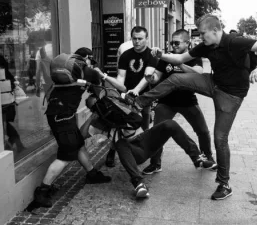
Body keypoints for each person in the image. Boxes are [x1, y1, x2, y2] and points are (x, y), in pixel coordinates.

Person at [129, 14, 257, 200]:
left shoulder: (234, 41)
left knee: (220, 138)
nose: (201, 37)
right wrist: (161, 55)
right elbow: (180, 58)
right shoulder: (206, 45)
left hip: (230, 96)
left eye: (203, 33)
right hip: (213, 83)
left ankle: (224, 184)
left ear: (215, 30)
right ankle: (138, 102)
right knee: (176, 79)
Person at [83, 95, 215, 198]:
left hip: (146, 140)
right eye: (96, 106)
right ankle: (139, 183)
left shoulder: (119, 106)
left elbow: (138, 108)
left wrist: (125, 101)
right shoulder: (98, 122)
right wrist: (91, 117)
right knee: (120, 143)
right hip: (133, 151)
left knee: (170, 124)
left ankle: (197, 158)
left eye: (101, 101)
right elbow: (82, 133)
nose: (102, 106)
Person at [32, 47, 112, 208]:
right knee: (66, 156)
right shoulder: (89, 72)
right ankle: (42, 192)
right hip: (63, 117)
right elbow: (101, 92)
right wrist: (97, 74)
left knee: (78, 144)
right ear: (88, 59)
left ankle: (92, 174)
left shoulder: (68, 70)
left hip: (57, 114)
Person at [142, 29, 216, 175]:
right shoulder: (167, 57)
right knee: (157, 132)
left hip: (188, 101)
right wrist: (152, 78)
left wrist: (179, 61)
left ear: (187, 43)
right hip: (166, 101)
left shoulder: (194, 56)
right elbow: (158, 76)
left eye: (176, 43)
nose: (173, 45)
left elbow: (198, 74)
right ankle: (155, 164)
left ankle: (207, 157)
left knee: (202, 131)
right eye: (172, 42)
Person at [104, 26, 159, 167]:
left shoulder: (151, 55)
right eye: (134, 38)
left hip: (145, 96)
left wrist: (136, 90)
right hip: (126, 96)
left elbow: (147, 76)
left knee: (143, 125)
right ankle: (112, 150)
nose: (137, 41)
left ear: (146, 39)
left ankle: (140, 152)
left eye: (140, 38)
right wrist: (120, 90)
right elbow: (121, 77)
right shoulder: (125, 55)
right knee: (120, 124)